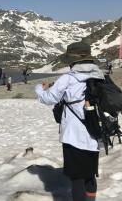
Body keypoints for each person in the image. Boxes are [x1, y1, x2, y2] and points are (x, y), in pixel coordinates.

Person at [35, 42, 104, 201]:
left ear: (73, 61)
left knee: (77, 178)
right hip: (95, 133)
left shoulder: (68, 78)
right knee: (89, 175)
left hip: (74, 136)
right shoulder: (99, 75)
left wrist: (39, 88)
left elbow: (49, 98)